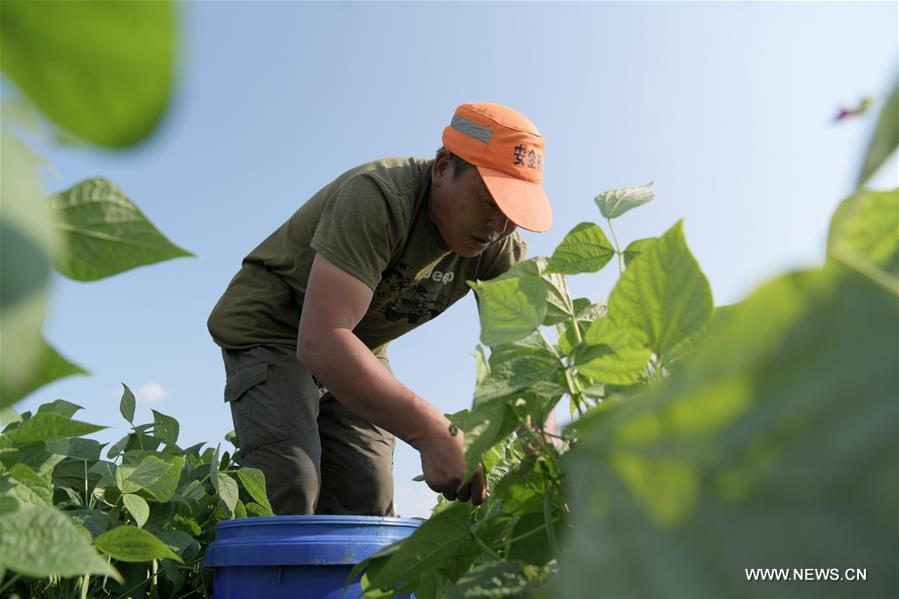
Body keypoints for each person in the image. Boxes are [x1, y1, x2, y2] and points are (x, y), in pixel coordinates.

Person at [207, 102, 554, 516]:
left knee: (367, 499)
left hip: (357, 345)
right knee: (291, 486)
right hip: (274, 327)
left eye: (513, 213)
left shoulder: (499, 247)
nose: (497, 225)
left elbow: (524, 358)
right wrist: (431, 432)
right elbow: (320, 341)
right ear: (443, 168)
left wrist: (545, 440)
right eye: (487, 200)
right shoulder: (380, 197)